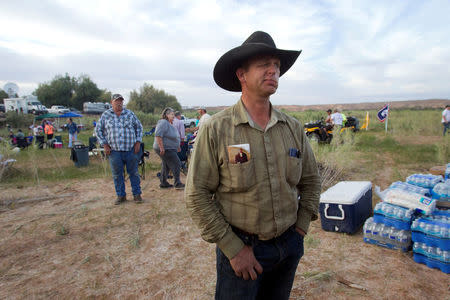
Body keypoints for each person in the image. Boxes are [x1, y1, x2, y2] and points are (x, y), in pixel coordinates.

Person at [185, 31, 321, 299]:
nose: (273, 71)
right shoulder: (217, 129)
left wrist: (301, 229)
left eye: (277, 66)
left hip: (288, 246)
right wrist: (233, 248)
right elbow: (197, 194)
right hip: (242, 250)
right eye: (263, 65)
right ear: (242, 75)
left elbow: (312, 180)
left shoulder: (292, 128)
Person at [96, 94, 143, 204]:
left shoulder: (130, 114)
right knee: (117, 174)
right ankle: (121, 195)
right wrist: (104, 144)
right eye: (116, 101)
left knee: (134, 173)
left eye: (121, 101)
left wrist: (138, 141)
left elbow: (139, 127)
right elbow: (98, 130)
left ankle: (137, 194)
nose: (119, 103)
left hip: (130, 149)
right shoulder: (106, 115)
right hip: (114, 151)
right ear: (111, 102)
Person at [153, 107, 185, 189]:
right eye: (172, 114)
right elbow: (158, 135)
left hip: (170, 148)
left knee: (166, 164)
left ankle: (163, 183)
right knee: (177, 163)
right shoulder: (163, 122)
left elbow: (173, 137)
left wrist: (177, 146)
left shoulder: (169, 123)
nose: (173, 116)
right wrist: (161, 147)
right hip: (166, 148)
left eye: (174, 114)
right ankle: (177, 183)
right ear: (167, 115)